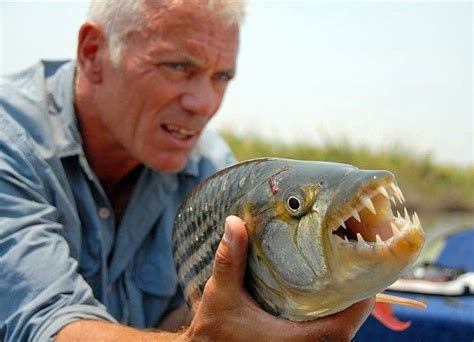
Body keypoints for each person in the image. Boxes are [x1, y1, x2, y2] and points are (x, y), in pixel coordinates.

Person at [0, 0, 374, 340]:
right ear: (94, 53)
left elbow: (201, 309)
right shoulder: (11, 140)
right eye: (178, 67)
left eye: (222, 77)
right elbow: (45, 323)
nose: (204, 103)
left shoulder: (212, 168)